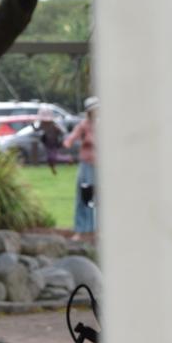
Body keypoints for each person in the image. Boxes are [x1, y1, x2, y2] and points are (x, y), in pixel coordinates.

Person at [64, 96, 98, 241]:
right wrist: (68, 143)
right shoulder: (83, 125)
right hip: (87, 166)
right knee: (85, 197)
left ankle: (97, 230)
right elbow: (70, 139)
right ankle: (81, 230)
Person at [35, 109, 65, 175]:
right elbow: (37, 130)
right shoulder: (42, 124)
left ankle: (68, 159)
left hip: (54, 142)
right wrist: (32, 125)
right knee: (49, 158)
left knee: (53, 156)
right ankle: (53, 169)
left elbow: (61, 132)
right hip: (47, 143)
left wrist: (57, 130)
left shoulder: (53, 124)